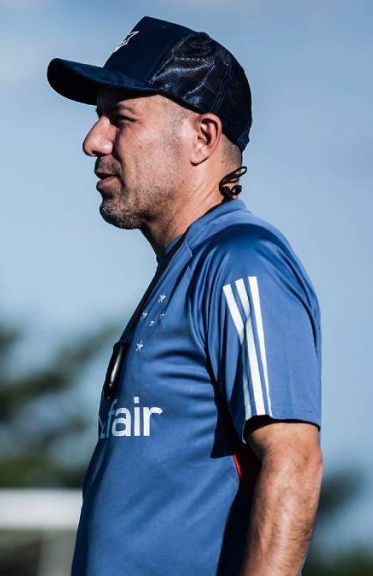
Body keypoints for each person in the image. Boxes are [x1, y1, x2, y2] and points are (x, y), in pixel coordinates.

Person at [46, 17, 322, 575]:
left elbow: (294, 463)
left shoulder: (242, 262)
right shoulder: (185, 268)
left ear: (202, 137)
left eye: (120, 118)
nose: (93, 140)